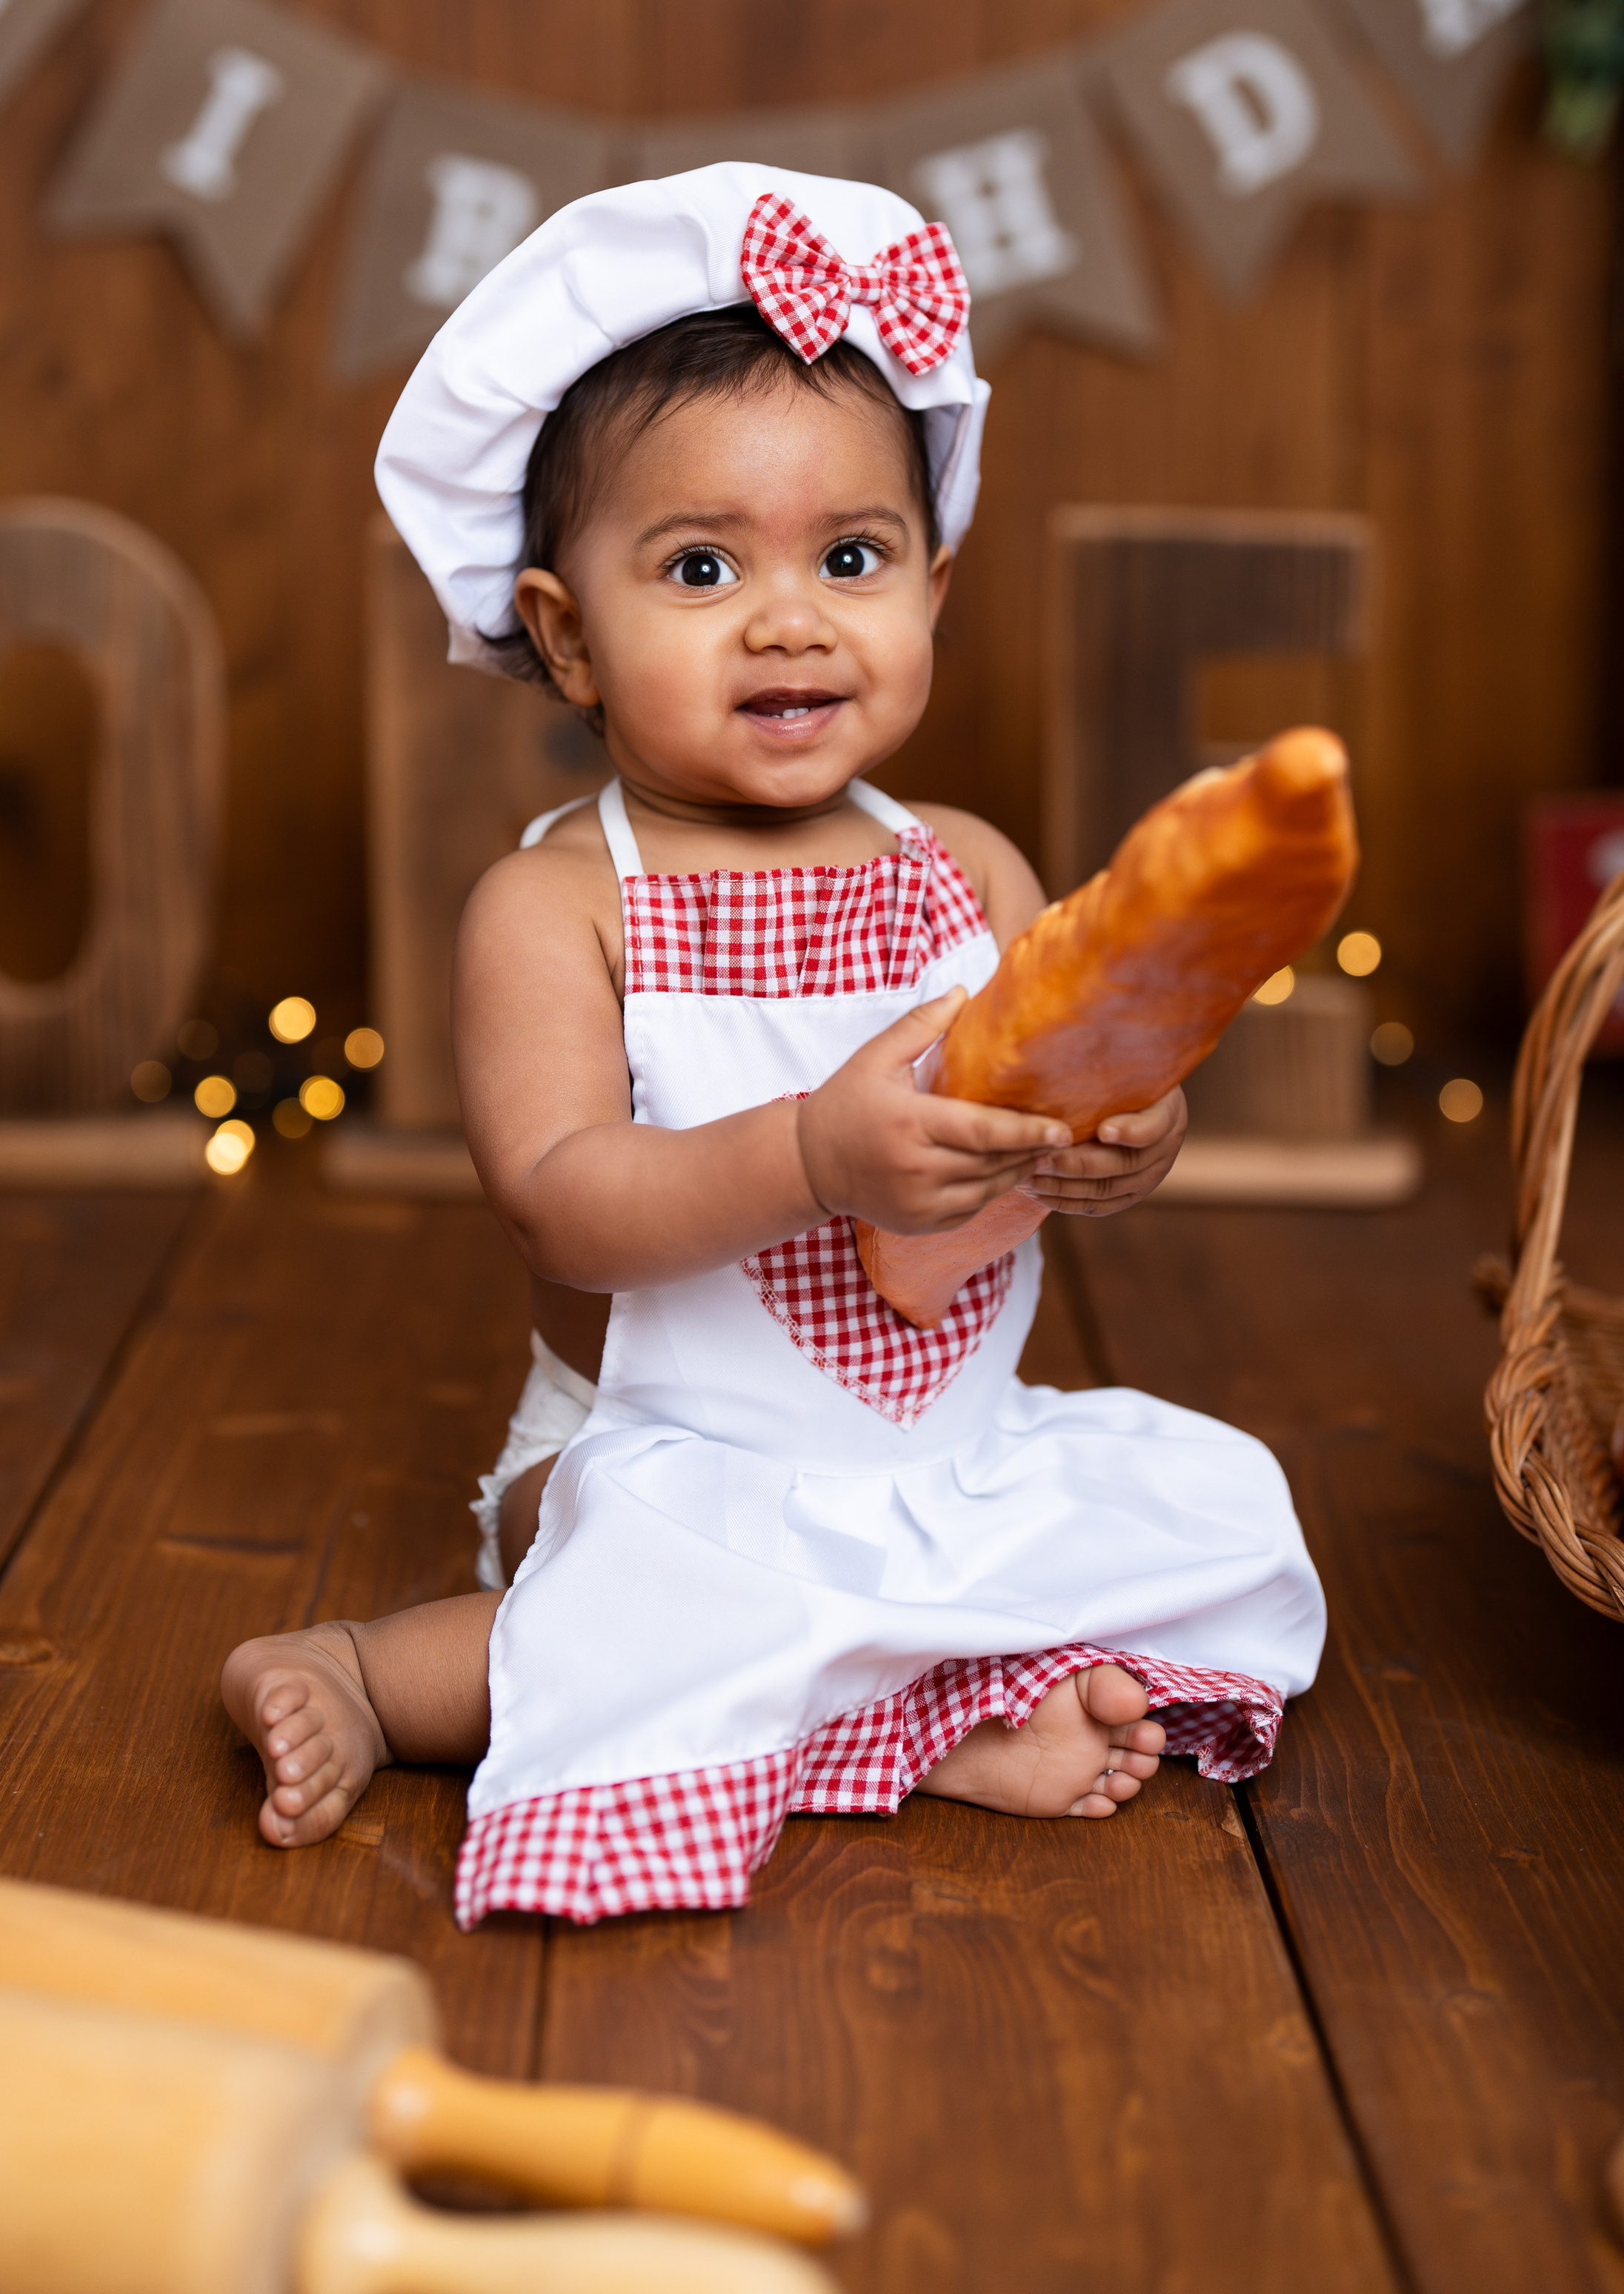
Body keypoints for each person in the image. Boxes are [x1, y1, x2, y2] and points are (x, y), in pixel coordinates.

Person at [222, 166, 1325, 1925]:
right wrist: (810, 1152)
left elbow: (1048, 1127)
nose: (789, 616)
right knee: (664, 1609)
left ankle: (890, 1704)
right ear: (567, 633)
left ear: (932, 587)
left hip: (939, 1445)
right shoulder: (560, 907)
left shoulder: (962, 872)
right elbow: (564, 1206)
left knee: (1212, 1516)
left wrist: (1122, 1141)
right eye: (701, 565)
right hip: (674, 1464)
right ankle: (377, 1672)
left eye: (851, 556)